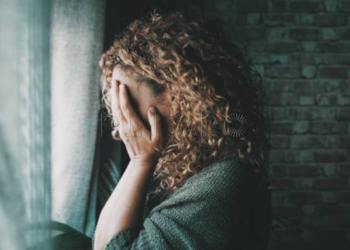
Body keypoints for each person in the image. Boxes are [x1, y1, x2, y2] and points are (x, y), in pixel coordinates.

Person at [93, 11, 272, 250]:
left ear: (177, 95)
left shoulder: (224, 180)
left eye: (127, 100)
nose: (122, 119)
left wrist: (140, 161)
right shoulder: (179, 167)